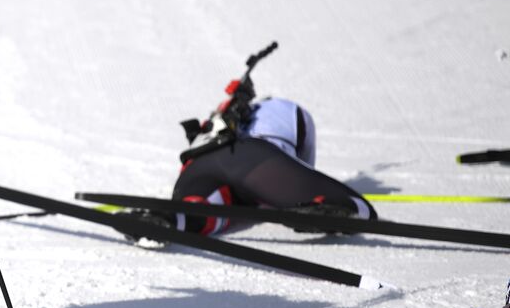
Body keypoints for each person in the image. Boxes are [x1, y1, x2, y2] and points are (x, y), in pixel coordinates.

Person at [157, 92, 375, 237]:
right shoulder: (289, 109)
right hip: (251, 160)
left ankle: (169, 219)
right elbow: (304, 166)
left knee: (196, 209)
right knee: (358, 207)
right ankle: (346, 208)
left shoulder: (218, 118)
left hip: (197, 165)